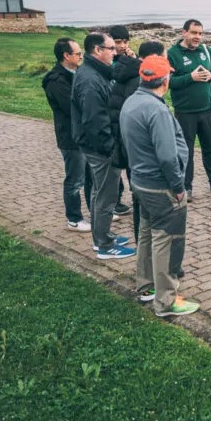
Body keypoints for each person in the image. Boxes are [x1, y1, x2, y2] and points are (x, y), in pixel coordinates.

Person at [120, 55, 199, 317]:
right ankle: (165, 301)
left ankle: (147, 286)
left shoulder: (132, 101)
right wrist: (178, 186)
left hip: (140, 182)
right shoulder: (156, 109)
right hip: (160, 186)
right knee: (168, 240)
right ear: (165, 82)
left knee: (146, 234)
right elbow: (167, 156)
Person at [70, 32, 136, 259]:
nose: (115, 52)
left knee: (100, 193)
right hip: (100, 148)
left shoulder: (93, 71)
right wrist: (111, 148)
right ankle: (105, 245)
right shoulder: (90, 79)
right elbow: (94, 120)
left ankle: (101, 237)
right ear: (98, 50)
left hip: (96, 145)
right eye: (111, 48)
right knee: (106, 196)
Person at [166, 19, 211, 201]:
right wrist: (190, 77)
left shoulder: (206, 50)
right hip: (185, 112)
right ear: (184, 32)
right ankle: (186, 187)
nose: (198, 37)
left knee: (210, 147)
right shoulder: (172, 54)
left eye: (200, 33)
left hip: (207, 110)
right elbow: (168, 82)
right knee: (186, 150)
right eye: (194, 33)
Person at [109, 40, 165, 242]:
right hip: (138, 150)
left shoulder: (128, 73)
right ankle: (146, 245)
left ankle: (144, 244)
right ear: (153, 58)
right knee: (143, 201)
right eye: (163, 57)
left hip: (127, 145)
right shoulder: (138, 82)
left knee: (138, 197)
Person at [42, 37, 92, 232]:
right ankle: (74, 219)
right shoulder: (55, 80)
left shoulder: (77, 73)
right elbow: (72, 107)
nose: (81, 57)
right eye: (78, 53)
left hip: (84, 134)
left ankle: (96, 212)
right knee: (75, 180)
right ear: (66, 55)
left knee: (90, 177)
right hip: (70, 137)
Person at [108, 25, 136, 217]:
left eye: (125, 42)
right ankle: (115, 201)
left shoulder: (129, 60)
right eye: (118, 42)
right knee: (116, 164)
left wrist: (134, 62)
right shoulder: (108, 62)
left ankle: (136, 195)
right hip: (112, 118)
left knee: (132, 163)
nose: (122, 46)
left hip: (127, 117)